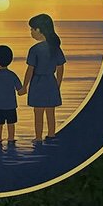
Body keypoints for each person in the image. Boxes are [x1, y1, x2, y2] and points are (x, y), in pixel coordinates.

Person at [24, 13, 66, 142]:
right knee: (50, 112)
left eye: (32, 29)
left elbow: (30, 70)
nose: (31, 32)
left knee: (38, 112)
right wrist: (57, 84)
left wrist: (24, 86)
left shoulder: (35, 49)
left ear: (38, 30)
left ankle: (38, 137)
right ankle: (51, 135)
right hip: (51, 82)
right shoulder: (55, 48)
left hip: (38, 82)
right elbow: (60, 67)